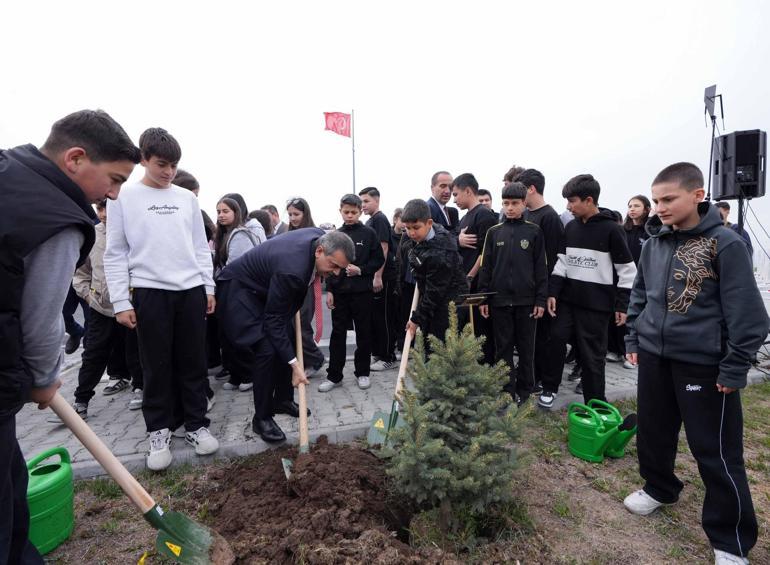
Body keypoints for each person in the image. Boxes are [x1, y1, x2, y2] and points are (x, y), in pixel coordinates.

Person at [1, 109, 140, 564]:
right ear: (76, 159)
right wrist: (44, 378)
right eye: (114, 179)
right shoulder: (56, 217)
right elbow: (42, 320)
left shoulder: (8, 171)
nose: (113, 194)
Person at [623, 162, 768, 565]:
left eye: (668, 199)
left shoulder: (726, 244)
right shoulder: (652, 244)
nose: (659, 207)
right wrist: (634, 337)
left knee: (715, 451)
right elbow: (640, 296)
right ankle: (659, 487)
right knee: (653, 433)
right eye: (656, 200)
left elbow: (749, 315)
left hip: (703, 365)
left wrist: (735, 366)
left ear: (697, 195)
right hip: (655, 358)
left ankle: (730, 540)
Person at [104, 127, 219, 471]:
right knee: (155, 366)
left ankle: (196, 425)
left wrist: (208, 287)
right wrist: (121, 302)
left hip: (191, 291)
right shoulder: (123, 197)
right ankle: (158, 430)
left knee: (193, 362)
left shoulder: (187, 198)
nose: (169, 172)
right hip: (149, 291)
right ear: (143, 159)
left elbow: (200, 247)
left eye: (174, 165)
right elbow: (115, 252)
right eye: (161, 164)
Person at [217, 229, 354, 442]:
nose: (336, 273)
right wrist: (295, 365)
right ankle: (262, 418)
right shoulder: (293, 271)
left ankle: (282, 399)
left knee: (288, 336)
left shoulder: (320, 237)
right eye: (333, 265)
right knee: (266, 348)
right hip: (239, 289)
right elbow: (273, 321)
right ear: (319, 251)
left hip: (264, 286)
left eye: (341, 269)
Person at [540, 174, 637, 409]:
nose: (568, 206)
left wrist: (622, 305)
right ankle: (549, 388)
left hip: (596, 306)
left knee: (592, 356)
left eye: (572, 201)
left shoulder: (612, 230)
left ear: (589, 200)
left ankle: (595, 404)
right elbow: (562, 262)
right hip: (567, 302)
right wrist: (553, 292)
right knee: (555, 342)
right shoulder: (571, 227)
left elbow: (627, 271)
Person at [51, 200, 144, 422]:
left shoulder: (135, 230)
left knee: (136, 351)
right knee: (93, 353)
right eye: (100, 209)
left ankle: (141, 388)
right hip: (101, 307)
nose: (104, 214)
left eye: (108, 208)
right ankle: (81, 401)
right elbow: (80, 272)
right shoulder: (92, 235)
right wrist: (88, 295)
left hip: (132, 306)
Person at [478, 182, 547, 406]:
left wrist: (540, 299)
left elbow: (541, 268)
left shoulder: (534, 231)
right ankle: (505, 392)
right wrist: (484, 297)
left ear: (524, 203)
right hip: (499, 302)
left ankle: (525, 391)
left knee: (526, 349)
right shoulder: (494, 232)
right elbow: (486, 267)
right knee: (503, 349)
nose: (510, 208)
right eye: (506, 203)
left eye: (515, 203)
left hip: (527, 302)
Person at [318, 194, 384, 393]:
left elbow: (378, 259)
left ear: (360, 211)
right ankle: (334, 375)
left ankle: (363, 372)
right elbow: (328, 265)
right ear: (340, 211)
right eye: (346, 212)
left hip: (362, 292)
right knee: (337, 334)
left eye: (353, 212)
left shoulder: (369, 233)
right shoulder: (335, 235)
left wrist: (361, 270)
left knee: (364, 333)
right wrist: (330, 290)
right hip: (340, 293)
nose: (349, 215)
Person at [519, 168, 566, 393]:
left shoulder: (550, 217)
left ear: (531, 189)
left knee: (543, 337)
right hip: (527, 288)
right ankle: (529, 375)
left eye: (521, 190)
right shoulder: (526, 215)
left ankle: (539, 379)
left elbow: (555, 258)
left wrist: (548, 292)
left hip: (543, 289)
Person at [400, 199, 467, 347]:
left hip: (449, 306)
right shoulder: (419, 236)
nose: (411, 233)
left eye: (416, 228)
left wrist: (416, 319)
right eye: (407, 228)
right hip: (432, 300)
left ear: (429, 223)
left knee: (439, 349)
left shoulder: (441, 252)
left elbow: (434, 292)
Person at [213, 197, 261, 392]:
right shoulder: (224, 234)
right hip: (228, 288)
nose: (221, 215)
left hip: (238, 289)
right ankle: (236, 373)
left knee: (238, 332)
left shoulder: (240, 234)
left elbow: (235, 266)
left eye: (225, 211)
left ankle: (248, 374)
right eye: (218, 211)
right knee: (227, 334)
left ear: (236, 212)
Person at [452, 173, 498, 364]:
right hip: (464, 284)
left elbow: (486, 252)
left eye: (456, 194)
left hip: (478, 285)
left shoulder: (484, 215)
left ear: (468, 191)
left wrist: (470, 277)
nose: (454, 200)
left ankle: (487, 370)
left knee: (482, 332)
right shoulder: (464, 218)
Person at [359, 187, 398, 371]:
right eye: (361, 201)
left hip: (384, 276)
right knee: (375, 318)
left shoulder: (380, 219)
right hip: (373, 276)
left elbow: (383, 248)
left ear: (377, 200)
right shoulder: (370, 220)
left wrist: (377, 276)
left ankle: (389, 356)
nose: (363, 205)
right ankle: (379, 352)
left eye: (366, 201)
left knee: (384, 317)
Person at [286, 198, 326, 375]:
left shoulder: (314, 235)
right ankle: (303, 361)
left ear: (305, 214)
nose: (293, 218)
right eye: (290, 214)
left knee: (301, 324)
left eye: (296, 214)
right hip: (291, 286)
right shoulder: (287, 234)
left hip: (308, 285)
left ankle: (315, 359)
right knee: (291, 324)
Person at [618, 195, 651, 369]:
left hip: (643, 281)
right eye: (630, 206)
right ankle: (618, 349)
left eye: (637, 206)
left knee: (637, 315)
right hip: (624, 280)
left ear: (646, 209)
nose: (632, 209)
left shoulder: (650, 232)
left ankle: (632, 354)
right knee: (622, 314)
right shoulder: (623, 230)